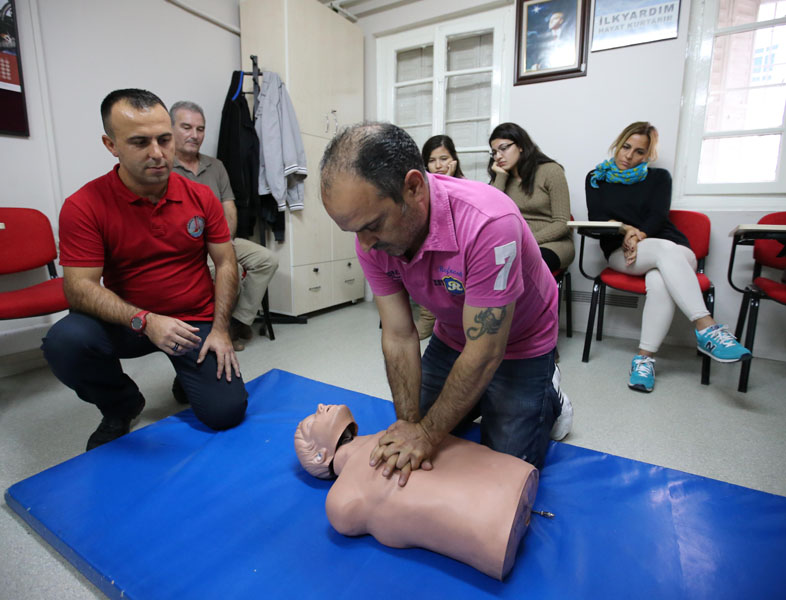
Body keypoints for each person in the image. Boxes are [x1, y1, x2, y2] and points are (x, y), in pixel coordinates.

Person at [319, 122, 572, 487]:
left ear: (413, 188)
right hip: (453, 334)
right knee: (414, 425)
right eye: (354, 231)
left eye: (372, 225)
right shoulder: (370, 239)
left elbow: (486, 351)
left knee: (503, 471)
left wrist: (426, 435)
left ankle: (550, 396)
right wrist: (409, 425)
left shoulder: (489, 223)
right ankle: (483, 397)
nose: (365, 244)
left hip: (521, 341)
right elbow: (399, 334)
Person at [42, 89, 248, 451]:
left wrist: (220, 330)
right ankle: (121, 404)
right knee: (66, 341)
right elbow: (78, 288)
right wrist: (145, 320)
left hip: (193, 319)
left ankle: (189, 373)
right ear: (111, 145)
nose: (157, 153)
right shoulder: (84, 205)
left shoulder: (201, 197)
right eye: (140, 142)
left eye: (164, 139)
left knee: (226, 412)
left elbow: (226, 262)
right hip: (128, 321)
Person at [586, 121, 751, 393]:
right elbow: (597, 218)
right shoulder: (597, 178)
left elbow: (658, 216)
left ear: (648, 155)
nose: (629, 156)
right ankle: (706, 329)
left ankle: (644, 360)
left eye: (639, 152)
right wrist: (626, 230)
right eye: (626, 147)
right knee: (662, 260)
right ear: (618, 144)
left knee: (661, 271)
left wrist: (639, 235)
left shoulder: (659, 178)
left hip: (674, 248)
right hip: (622, 252)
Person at [293, 403, 539, 580]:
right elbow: (348, 518)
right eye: (312, 421)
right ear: (319, 456)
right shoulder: (341, 500)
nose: (320, 406)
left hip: (509, 481)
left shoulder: (392, 433)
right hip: (491, 530)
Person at [170, 100, 279, 352]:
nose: (194, 135)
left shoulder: (216, 166)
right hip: (190, 248)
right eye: (186, 127)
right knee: (231, 273)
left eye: (200, 129)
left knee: (267, 260)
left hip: (221, 239)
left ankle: (239, 321)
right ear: (170, 128)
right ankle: (219, 328)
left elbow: (229, 206)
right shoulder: (164, 169)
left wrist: (226, 241)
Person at [488, 122, 574, 274]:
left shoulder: (551, 171)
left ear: (520, 146)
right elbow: (491, 215)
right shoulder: (501, 178)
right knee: (483, 266)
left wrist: (526, 241)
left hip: (553, 243)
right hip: (513, 245)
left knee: (520, 268)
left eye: (504, 148)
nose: (498, 156)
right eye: (494, 152)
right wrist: (500, 177)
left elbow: (562, 223)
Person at [412, 134, 466, 340]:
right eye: (432, 160)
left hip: (460, 244)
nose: (438, 165)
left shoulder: (464, 185)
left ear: (454, 159)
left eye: (444, 159)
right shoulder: (420, 189)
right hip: (432, 244)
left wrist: (447, 182)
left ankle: (452, 318)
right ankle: (428, 316)